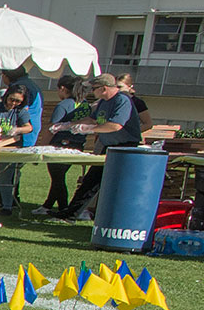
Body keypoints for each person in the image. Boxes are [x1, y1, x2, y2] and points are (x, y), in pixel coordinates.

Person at [63, 73, 140, 221]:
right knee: (90, 181)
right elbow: (92, 119)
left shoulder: (122, 100)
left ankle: (115, 218)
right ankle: (70, 214)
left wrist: (89, 129)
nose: (92, 92)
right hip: (109, 145)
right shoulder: (104, 101)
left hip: (125, 147)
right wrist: (69, 125)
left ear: (104, 88)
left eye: (94, 88)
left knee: (117, 184)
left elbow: (115, 125)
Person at [0, 68, 42, 213]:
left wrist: (17, 130)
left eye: (18, 101)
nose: (14, 103)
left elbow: (28, 127)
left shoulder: (21, 110)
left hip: (9, 146)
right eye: (12, 99)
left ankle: (7, 205)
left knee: (6, 176)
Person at [34, 75, 86, 217]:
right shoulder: (84, 104)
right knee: (59, 176)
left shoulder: (63, 105)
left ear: (62, 88)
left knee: (57, 178)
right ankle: (47, 206)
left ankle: (64, 209)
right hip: (77, 145)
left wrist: (42, 146)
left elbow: (52, 128)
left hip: (59, 145)